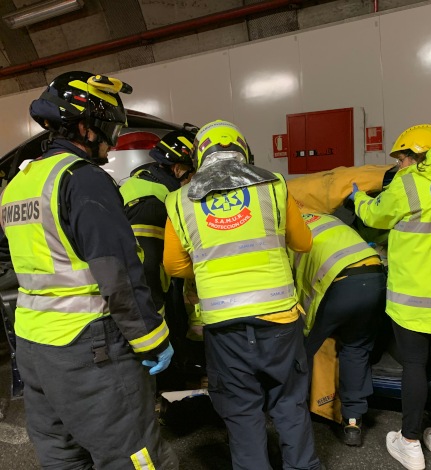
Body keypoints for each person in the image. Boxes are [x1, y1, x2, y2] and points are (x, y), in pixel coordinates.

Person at [0, 71, 177, 469]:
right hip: (89, 348)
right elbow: (119, 275)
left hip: (32, 345)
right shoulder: (82, 180)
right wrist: (151, 339)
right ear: (84, 126)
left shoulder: (18, 184)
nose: (113, 144)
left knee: (61, 453)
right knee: (134, 454)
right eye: (109, 130)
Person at [163, 119, 325, 470]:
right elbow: (303, 242)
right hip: (280, 320)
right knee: (288, 402)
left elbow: (174, 266)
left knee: (240, 410)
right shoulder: (274, 185)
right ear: (243, 151)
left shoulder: (178, 200)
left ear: (198, 156)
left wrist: (208, 265)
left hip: (224, 328)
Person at [349, 124, 431, 470]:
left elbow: (375, 214)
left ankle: (410, 443)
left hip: (413, 297)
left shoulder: (409, 182)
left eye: (402, 157)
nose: (400, 164)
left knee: (414, 365)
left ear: (416, 155)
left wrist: (357, 198)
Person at [289, 212, 386, 446]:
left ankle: (291, 415)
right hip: (375, 277)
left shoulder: (287, 233)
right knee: (356, 348)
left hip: (339, 285)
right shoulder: (326, 218)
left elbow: (296, 287)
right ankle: (352, 422)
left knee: (301, 351)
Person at [119, 129, 200, 387]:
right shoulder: (156, 202)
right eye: (193, 173)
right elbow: (147, 267)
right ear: (177, 169)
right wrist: (157, 326)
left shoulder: (140, 184)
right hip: (149, 299)